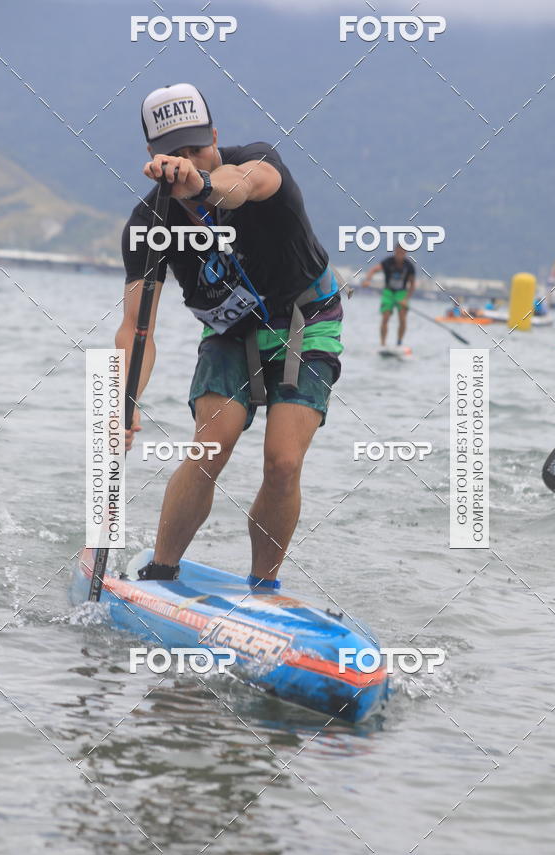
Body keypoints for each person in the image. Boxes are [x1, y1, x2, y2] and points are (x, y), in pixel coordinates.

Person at [119, 83, 344, 588]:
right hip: (229, 333)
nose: (185, 160)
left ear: (215, 137)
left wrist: (199, 185)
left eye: (196, 148)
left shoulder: (258, 162)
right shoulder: (148, 224)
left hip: (306, 321)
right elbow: (138, 326)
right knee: (209, 447)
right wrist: (125, 398)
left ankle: (264, 587)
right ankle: (161, 571)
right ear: (152, 158)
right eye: (171, 154)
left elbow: (237, 185)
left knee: (282, 462)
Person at [362, 244, 415, 346]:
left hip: (402, 293)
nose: (400, 255)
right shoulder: (388, 262)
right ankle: (383, 344)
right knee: (385, 317)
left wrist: (406, 299)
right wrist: (367, 280)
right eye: (398, 252)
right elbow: (373, 270)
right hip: (388, 292)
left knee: (402, 318)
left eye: (402, 253)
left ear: (405, 253)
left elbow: (412, 285)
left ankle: (399, 343)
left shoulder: (409, 266)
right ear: (395, 251)